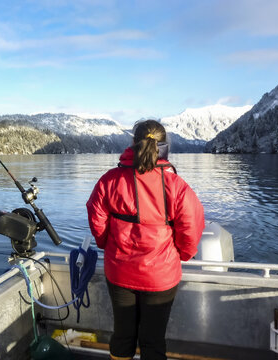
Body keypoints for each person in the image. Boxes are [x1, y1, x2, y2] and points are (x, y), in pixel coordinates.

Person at [86, 119, 205, 360]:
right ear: (165, 147)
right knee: (153, 341)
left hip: (119, 271)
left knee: (122, 335)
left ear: (132, 143)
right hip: (161, 276)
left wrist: (107, 245)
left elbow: (96, 220)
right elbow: (191, 229)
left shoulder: (109, 180)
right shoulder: (176, 186)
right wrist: (181, 255)